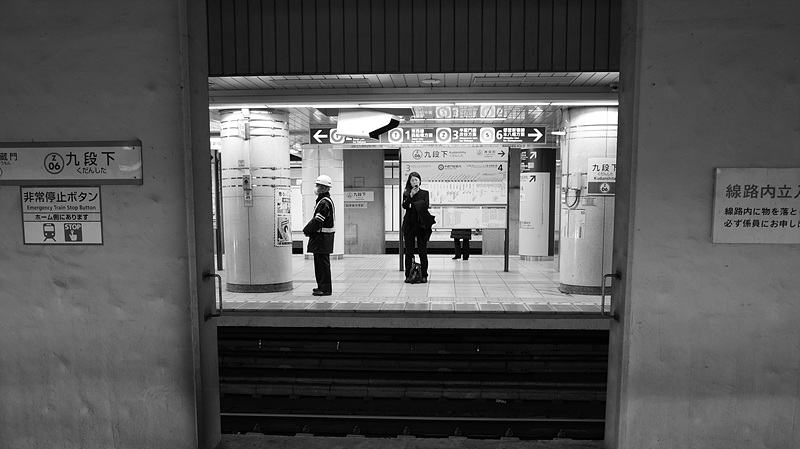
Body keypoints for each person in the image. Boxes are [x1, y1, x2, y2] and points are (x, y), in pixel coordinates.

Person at [303, 174, 335, 296]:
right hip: (323, 238)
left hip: (322, 238)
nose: (316, 188)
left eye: (318, 185)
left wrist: (307, 230)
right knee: (321, 264)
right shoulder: (324, 201)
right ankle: (322, 286)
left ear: (324, 188)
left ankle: (325, 289)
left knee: (322, 265)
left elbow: (318, 221)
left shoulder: (324, 203)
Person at [402, 171, 435, 283]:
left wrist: (412, 205)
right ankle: (408, 275)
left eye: (416, 180)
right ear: (409, 182)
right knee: (409, 252)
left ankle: (424, 275)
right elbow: (405, 206)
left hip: (421, 225)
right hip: (409, 225)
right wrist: (411, 196)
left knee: (422, 251)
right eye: (412, 180)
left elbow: (425, 205)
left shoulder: (425, 193)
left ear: (420, 181)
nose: (414, 182)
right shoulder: (407, 193)